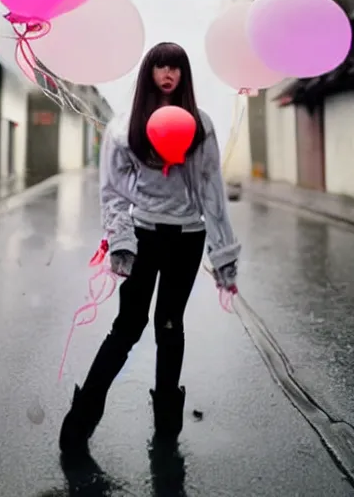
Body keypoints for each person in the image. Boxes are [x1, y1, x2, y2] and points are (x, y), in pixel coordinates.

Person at [59, 42, 241, 453]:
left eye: (176, 66)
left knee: (170, 325)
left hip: (187, 237)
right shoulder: (127, 128)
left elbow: (212, 191)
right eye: (160, 65)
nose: (168, 73)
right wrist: (121, 241)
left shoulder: (202, 125)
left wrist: (223, 252)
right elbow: (112, 192)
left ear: (184, 75)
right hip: (143, 235)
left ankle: (166, 427)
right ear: (149, 73)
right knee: (127, 326)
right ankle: (82, 418)